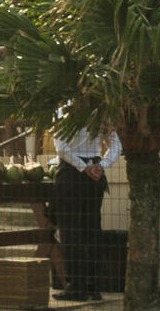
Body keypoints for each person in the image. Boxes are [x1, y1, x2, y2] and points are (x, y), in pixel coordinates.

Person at [51, 121, 121, 301]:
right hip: (95, 172)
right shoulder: (101, 113)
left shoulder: (63, 112)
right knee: (92, 230)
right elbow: (116, 145)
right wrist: (102, 165)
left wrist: (83, 167)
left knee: (71, 231)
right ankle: (93, 286)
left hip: (71, 174)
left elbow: (61, 148)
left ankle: (77, 286)